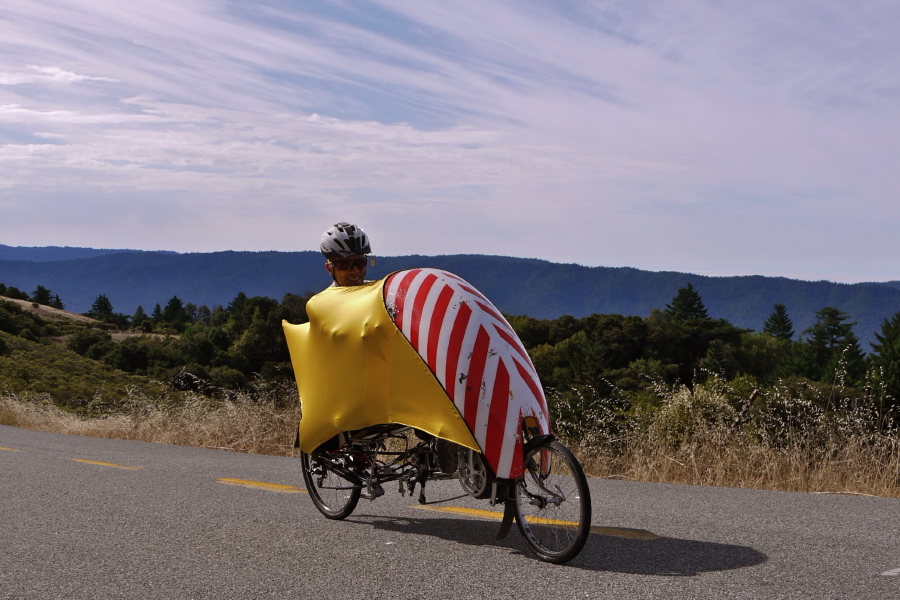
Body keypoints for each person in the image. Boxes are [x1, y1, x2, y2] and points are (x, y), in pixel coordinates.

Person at [319, 222, 372, 287]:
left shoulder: (381, 292)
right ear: (330, 269)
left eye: (360, 263)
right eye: (345, 265)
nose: (355, 271)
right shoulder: (324, 297)